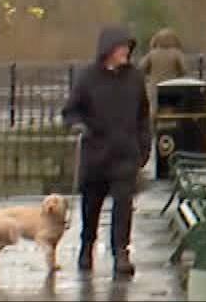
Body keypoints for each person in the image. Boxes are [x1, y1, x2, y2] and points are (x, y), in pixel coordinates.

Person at [63, 26, 150, 277]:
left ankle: (121, 252)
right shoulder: (87, 77)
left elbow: (143, 115)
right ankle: (87, 245)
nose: (126, 52)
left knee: (124, 204)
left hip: (125, 153)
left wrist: (144, 146)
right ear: (109, 49)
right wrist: (78, 125)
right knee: (91, 204)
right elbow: (71, 110)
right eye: (122, 47)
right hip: (96, 153)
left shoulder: (135, 78)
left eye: (128, 48)